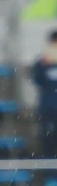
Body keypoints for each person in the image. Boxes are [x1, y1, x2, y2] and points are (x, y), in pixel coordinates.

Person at [34, 30, 57, 159]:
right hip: (48, 107)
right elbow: (37, 80)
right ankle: (49, 166)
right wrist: (44, 65)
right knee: (48, 137)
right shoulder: (42, 62)